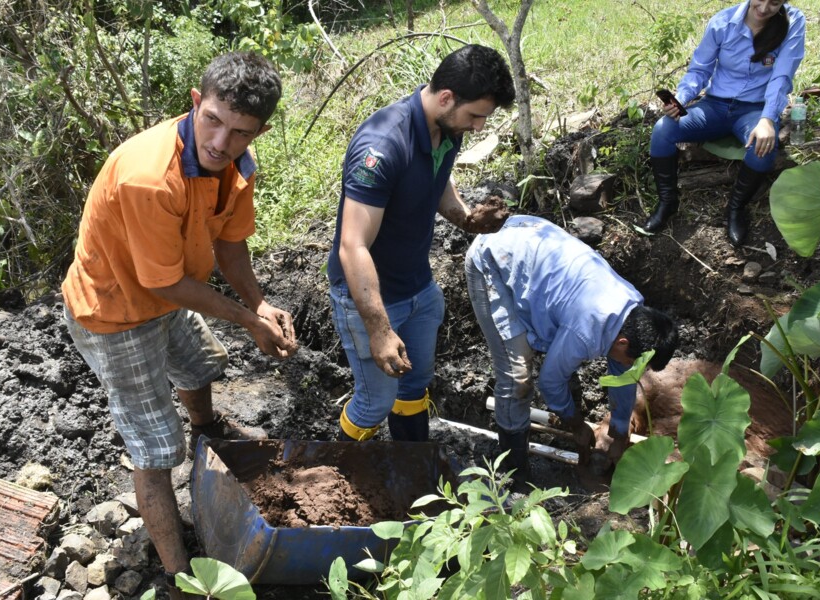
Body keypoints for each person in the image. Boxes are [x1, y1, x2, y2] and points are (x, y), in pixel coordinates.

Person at [61, 52, 297, 599]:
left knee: (197, 363)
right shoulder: (150, 177)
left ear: (258, 130)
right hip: (114, 310)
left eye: (240, 132)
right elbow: (162, 284)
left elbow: (231, 244)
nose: (221, 142)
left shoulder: (238, 164)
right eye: (212, 120)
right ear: (196, 102)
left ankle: (207, 428)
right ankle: (178, 575)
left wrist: (258, 306)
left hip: (167, 292)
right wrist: (242, 317)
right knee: (153, 447)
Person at [327, 44, 515, 443]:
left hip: (418, 288)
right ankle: (333, 478)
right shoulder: (382, 146)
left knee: (415, 383)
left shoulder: (445, 128)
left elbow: (438, 179)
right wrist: (378, 329)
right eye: (476, 116)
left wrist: (466, 218)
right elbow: (352, 246)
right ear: (446, 97)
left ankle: (410, 464)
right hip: (371, 298)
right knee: (374, 403)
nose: (479, 127)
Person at [465, 215, 679, 487]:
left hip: (530, 238)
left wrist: (620, 431)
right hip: (494, 257)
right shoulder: (585, 329)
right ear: (623, 344)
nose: (636, 369)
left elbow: (623, 373)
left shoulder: (632, 309)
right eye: (636, 362)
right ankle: (513, 468)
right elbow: (550, 382)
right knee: (516, 377)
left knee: (563, 352)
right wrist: (576, 425)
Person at [643, 0, 806, 246]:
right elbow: (699, 70)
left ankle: (736, 209)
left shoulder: (792, 22)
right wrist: (682, 100)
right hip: (715, 106)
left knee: (763, 147)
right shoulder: (723, 22)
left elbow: (782, 76)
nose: (764, 8)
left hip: (755, 109)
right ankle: (667, 202)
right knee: (663, 130)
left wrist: (767, 119)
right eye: (760, 0)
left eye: (774, 3)